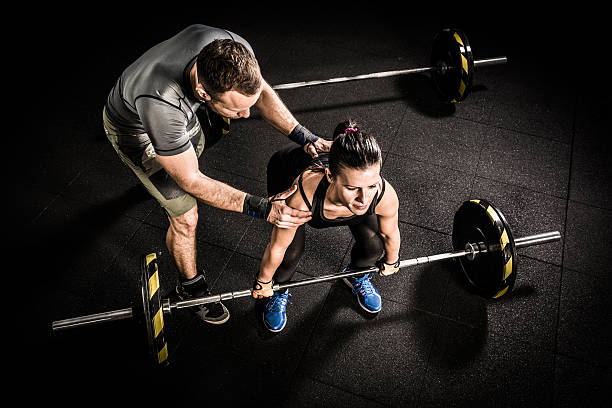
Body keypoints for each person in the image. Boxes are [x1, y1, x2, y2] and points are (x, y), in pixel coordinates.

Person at [102, 24, 332, 325]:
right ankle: (190, 289)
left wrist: (305, 137)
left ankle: (164, 175)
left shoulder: (232, 48)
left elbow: (260, 92)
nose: (247, 116)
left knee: (197, 146)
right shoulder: (162, 102)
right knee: (186, 215)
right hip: (137, 132)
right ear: (202, 91)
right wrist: (264, 209)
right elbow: (191, 180)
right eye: (239, 110)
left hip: (179, 119)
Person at [252, 120, 401, 332]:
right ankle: (278, 290)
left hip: (337, 200)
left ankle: (356, 275)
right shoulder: (301, 197)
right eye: (353, 187)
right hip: (286, 172)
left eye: (372, 185)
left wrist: (392, 260)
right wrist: (264, 281)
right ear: (330, 176)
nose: (364, 198)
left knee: (374, 246)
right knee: (291, 253)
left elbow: (390, 234)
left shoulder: (383, 195)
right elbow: (278, 246)